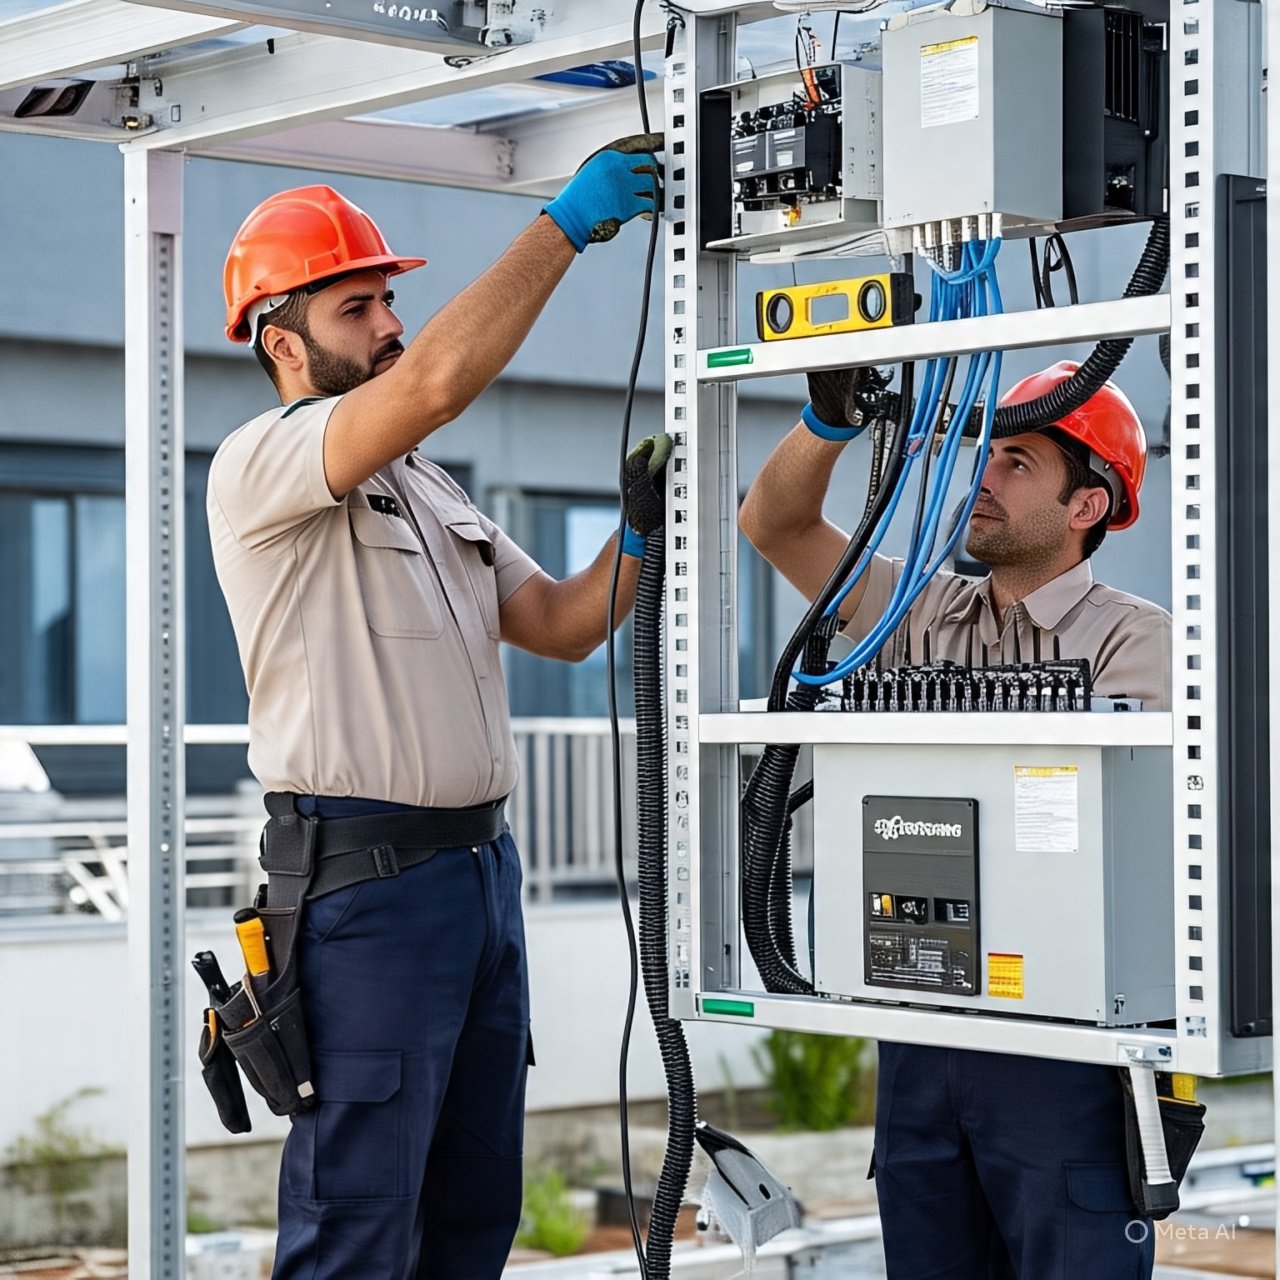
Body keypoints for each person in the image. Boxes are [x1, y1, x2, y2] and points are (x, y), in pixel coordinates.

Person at [207, 135, 664, 1279]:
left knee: (469, 1219)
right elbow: (435, 384)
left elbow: (562, 623)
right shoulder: (259, 460)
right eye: (357, 306)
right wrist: (564, 226)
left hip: (475, 876)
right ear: (283, 340)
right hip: (365, 890)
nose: (388, 324)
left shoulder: (428, 486)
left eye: (388, 300)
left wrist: (647, 531)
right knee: (357, 1224)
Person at [739, 359, 1172, 1279]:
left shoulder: (1138, 643)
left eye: (1017, 463)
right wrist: (827, 422)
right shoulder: (917, 610)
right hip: (923, 1019)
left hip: (1069, 1046)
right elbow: (770, 524)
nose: (982, 476)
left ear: (1088, 506)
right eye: (984, 454)